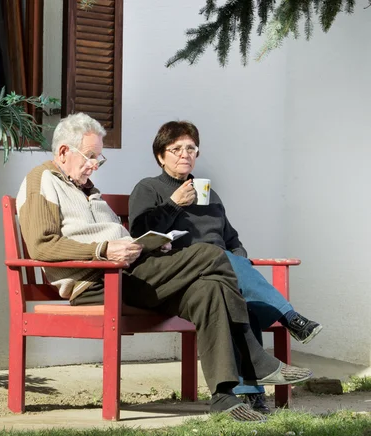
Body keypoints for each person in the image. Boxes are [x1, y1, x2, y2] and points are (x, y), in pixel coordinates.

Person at [16, 113, 313, 422]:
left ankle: (225, 397)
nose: (94, 165)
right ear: (63, 152)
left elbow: (124, 238)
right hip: (100, 280)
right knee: (212, 256)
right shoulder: (42, 181)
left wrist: (148, 244)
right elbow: (42, 246)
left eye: (98, 158)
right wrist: (103, 250)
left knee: (209, 289)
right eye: (90, 156)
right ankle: (254, 357)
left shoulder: (87, 189)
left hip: (132, 271)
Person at [128, 120, 322, 413]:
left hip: (219, 273)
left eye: (191, 148)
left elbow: (231, 239)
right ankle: (290, 318)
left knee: (236, 289)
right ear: (160, 156)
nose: (185, 154)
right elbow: (139, 232)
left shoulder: (209, 194)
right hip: (181, 274)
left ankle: (249, 395)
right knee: (222, 270)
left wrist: (240, 261)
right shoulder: (149, 188)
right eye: (176, 148)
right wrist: (173, 203)